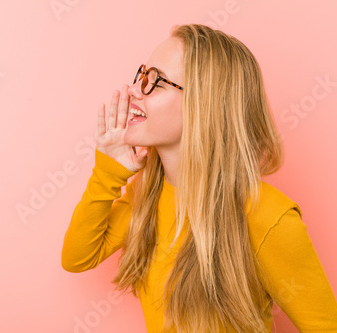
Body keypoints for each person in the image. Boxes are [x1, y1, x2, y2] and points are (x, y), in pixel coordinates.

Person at [61, 24, 337, 333]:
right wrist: (108, 170)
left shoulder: (269, 217)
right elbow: (77, 257)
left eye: (156, 82)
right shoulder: (146, 194)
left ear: (202, 105)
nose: (135, 90)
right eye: (142, 75)